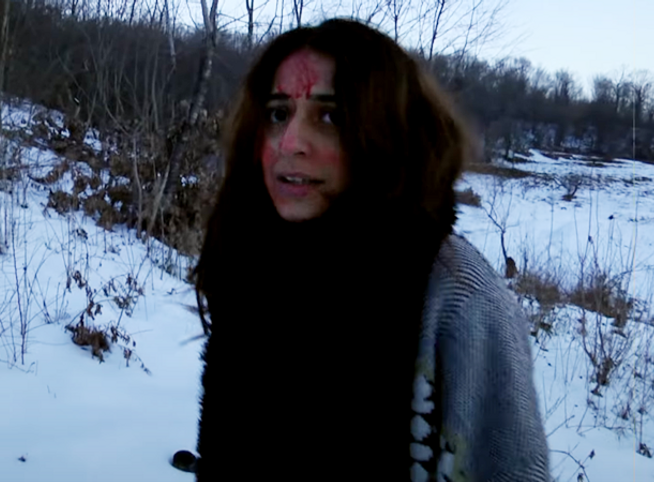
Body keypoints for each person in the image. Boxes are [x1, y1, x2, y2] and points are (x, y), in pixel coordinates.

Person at [185, 17, 551, 481]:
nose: (290, 143)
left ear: (387, 134)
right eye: (278, 114)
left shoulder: (457, 293)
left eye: (331, 117)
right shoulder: (252, 257)